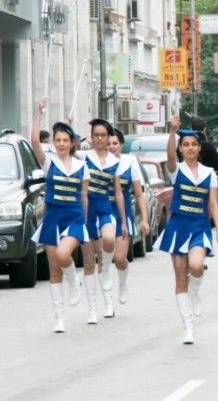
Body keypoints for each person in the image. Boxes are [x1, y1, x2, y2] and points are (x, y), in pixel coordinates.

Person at [153, 115, 218, 344]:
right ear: (181, 149)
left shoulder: (209, 173)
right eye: (186, 145)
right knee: (179, 279)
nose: (190, 148)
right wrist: (172, 131)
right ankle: (188, 327)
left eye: (194, 144)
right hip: (178, 227)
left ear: (199, 147)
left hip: (199, 227)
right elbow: (169, 157)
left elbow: (213, 203)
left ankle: (196, 291)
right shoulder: (176, 170)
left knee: (196, 266)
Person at [30, 99, 89, 333]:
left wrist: (85, 222)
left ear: (71, 143)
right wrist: (39, 113)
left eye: (65, 140)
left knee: (65, 255)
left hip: (74, 218)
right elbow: (35, 140)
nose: (62, 144)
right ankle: (59, 317)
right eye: (58, 140)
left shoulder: (81, 166)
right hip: (53, 219)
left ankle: (74, 280)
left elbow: (84, 196)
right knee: (54, 269)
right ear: (53, 143)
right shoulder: (49, 163)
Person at [76, 118, 128, 325]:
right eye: (96, 135)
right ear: (92, 137)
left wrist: (123, 221)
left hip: (105, 208)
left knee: (108, 241)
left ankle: (106, 272)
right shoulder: (82, 157)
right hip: (86, 211)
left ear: (108, 138)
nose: (99, 139)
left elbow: (119, 193)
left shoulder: (116, 162)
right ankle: (93, 309)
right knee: (89, 263)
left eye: (103, 135)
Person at [103, 129, 150, 316]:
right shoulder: (98, 162)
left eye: (115, 143)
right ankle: (108, 304)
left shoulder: (129, 162)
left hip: (123, 215)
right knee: (103, 262)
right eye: (108, 143)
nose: (111, 146)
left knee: (119, 258)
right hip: (102, 213)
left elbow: (139, 194)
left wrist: (145, 220)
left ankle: (123, 282)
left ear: (121, 145)